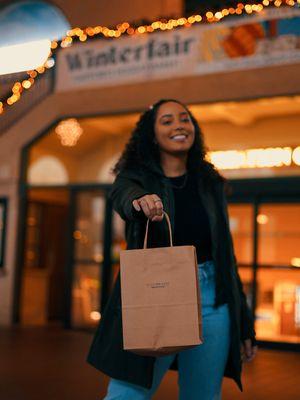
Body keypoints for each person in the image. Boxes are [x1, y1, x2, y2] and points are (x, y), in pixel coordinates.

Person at [87, 99, 258, 399]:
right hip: (156, 292)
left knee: (202, 395)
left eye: (185, 119)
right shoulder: (135, 177)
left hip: (213, 297)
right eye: (167, 121)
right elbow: (123, 195)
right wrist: (139, 201)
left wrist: (244, 324)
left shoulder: (210, 181)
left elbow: (226, 255)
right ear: (152, 135)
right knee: (126, 394)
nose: (179, 125)